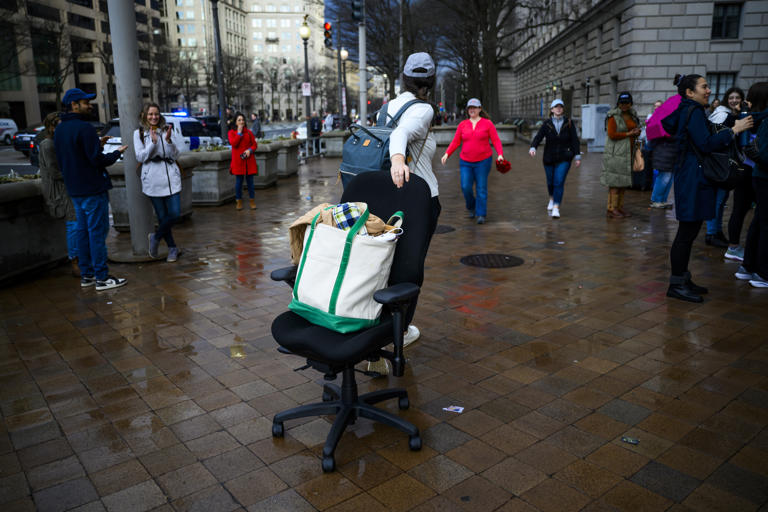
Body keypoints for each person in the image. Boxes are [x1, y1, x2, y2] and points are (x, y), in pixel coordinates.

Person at [661, 74, 753, 302]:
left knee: (690, 232)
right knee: (686, 233)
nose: (709, 90)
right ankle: (676, 284)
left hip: (692, 176)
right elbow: (705, 144)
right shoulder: (692, 111)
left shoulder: (691, 110)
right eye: (704, 86)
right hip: (692, 178)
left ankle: (683, 278)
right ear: (690, 93)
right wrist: (734, 130)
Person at [375, 51, 440, 366]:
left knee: (384, 266)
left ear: (404, 78)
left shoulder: (386, 109)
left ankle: (376, 327)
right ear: (430, 81)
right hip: (419, 197)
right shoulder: (424, 109)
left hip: (385, 197)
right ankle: (399, 332)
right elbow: (400, 135)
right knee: (410, 270)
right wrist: (400, 160)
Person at [54, 88, 128, 291]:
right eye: (85, 102)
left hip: (75, 189)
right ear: (74, 105)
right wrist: (115, 154)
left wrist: (97, 144)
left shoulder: (60, 129)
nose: (89, 105)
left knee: (83, 232)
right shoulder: (84, 128)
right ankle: (102, 277)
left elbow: (75, 156)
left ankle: (87, 275)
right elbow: (96, 160)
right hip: (93, 189)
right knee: (97, 233)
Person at [441, 98, 504, 224]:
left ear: (480, 109)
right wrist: (447, 154)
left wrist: (500, 154)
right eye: (470, 108)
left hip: (483, 161)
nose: (472, 110)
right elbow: (456, 141)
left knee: (481, 188)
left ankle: (481, 214)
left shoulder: (488, 124)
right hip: (466, 162)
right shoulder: (463, 125)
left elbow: (496, 140)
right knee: (466, 187)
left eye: (475, 107)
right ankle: (471, 207)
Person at [134, 103, 183, 262]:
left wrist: (168, 141)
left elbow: (175, 154)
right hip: (152, 179)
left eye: (156, 114)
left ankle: (155, 236)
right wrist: (153, 143)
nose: (154, 117)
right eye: (150, 114)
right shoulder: (139, 133)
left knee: (175, 213)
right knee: (162, 217)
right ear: (145, 115)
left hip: (170, 177)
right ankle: (172, 248)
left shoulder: (167, 130)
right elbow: (140, 157)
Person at [709, 87, 751, 257]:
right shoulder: (722, 114)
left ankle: (717, 231)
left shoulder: (738, 115)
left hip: (730, 163)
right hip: (720, 164)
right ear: (727, 99)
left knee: (722, 200)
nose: (734, 100)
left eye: (738, 97)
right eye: (731, 97)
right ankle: (711, 233)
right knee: (717, 200)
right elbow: (717, 137)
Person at [38, 111, 79, 277]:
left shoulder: (57, 142)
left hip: (66, 189)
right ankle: (75, 261)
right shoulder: (48, 145)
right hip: (60, 192)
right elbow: (55, 173)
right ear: (52, 128)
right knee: (73, 225)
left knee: (75, 224)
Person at [528, 99, 581, 219]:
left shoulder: (569, 123)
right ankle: (551, 198)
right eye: (556, 107)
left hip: (565, 157)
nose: (558, 109)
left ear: (563, 109)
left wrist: (577, 155)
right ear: (551, 110)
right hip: (549, 157)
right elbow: (538, 137)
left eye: (560, 107)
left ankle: (556, 207)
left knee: (559, 181)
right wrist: (533, 147)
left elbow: (575, 140)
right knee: (550, 182)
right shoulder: (547, 124)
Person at [737, 82, 768, 287]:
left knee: (759, 221)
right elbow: (764, 154)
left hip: (759, 175)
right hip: (764, 176)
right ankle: (762, 272)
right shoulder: (762, 120)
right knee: (764, 224)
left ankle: (749, 266)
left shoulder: (758, 119)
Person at [601, 92, 641, 218]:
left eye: (627, 103)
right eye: (622, 103)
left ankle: (619, 207)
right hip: (615, 153)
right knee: (615, 182)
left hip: (628, 152)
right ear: (618, 103)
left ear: (630, 103)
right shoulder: (613, 116)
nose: (624, 105)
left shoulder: (632, 115)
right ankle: (611, 209)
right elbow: (611, 134)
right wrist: (628, 134)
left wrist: (636, 132)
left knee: (623, 181)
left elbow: (633, 129)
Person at [648, 99, 677, 209]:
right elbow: (655, 138)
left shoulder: (668, 119)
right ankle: (656, 200)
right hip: (663, 153)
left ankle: (662, 200)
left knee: (669, 178)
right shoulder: (660, 120)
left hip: (670, 153)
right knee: (664, 177)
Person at [228, 112, 258, 211]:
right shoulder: (231, 133)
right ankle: (239, 201)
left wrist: (250, 150)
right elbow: (234, 144)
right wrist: (239, 133)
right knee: (239, 183)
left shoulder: (249, 132)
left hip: (249, 161)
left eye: (243, 120)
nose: (241, 122)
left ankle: (252, 201)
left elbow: (254, 145)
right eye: (239, 120)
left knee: (250, 183)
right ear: (235, 122)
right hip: (238, 162)